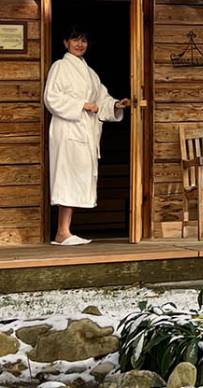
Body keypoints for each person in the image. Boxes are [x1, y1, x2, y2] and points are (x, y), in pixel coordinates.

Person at [43, 26, 129, 245]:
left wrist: (117, 105)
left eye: (83, 41)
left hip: (84, 132)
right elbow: (51, 97)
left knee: (77, 177)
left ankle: (65, 231)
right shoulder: (60, 67)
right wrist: (81, 105)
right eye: (75, 40)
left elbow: (102, 99)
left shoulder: (90, 73)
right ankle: (62, 232)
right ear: (65, 43)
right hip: (67, 129)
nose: (80, 44)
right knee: (67, 177)